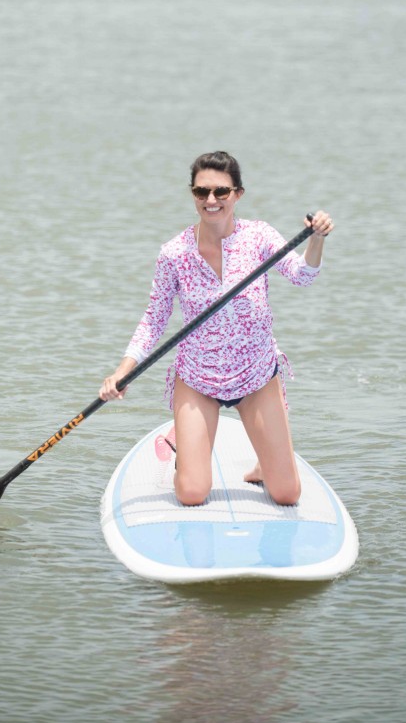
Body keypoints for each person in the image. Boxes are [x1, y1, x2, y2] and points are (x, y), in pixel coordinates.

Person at [99, 150, 333, 507]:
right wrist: (122, 372)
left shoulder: (258, 237)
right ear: (192, 194)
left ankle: (263, 463)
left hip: (256, 377)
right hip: (198, 380)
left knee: (287, 494)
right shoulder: (174, 253)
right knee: (192, 493)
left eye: (221, 192)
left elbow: (303, 276)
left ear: (237, 194)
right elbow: (153, 320)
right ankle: (182, 444)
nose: (211, 200)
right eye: (201, 192)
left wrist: (316, 238)